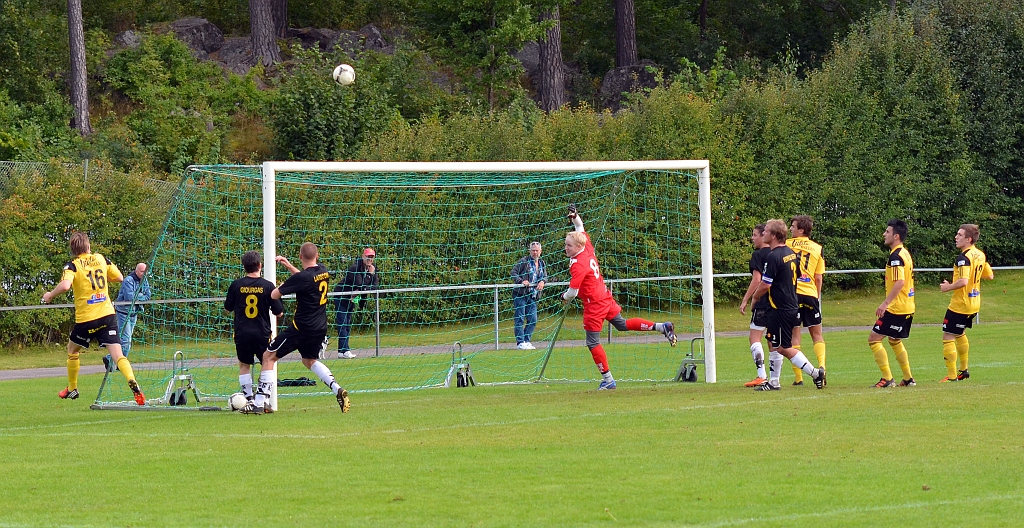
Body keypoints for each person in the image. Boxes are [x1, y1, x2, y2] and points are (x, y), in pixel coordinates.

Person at [560, 204, 677, 390]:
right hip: (605, 297)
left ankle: (608, 381)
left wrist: (563, 297)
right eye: (565, 244)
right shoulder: (587, 248)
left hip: (594, 305)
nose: (565, 248)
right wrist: (575, 217)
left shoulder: (578, 264)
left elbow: (573, 293)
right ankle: (661, 327)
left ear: (578, 246)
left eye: (568, 245)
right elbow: (580, 229)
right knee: (622, 324)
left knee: (592, 342)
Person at [41, 231, 146, 405]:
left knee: (72, 351)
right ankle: (132, 382)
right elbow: (119, 277)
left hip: (87, 319)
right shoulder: (101, 258)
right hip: (107, 315)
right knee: (118, 355)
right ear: (88, 246)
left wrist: (50, 295)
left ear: (73, 250)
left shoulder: (72, 266)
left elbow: (66, 285)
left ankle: (73, 388)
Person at [244, 242, 350, 413]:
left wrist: (283, 284)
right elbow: (305, 279)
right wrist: (289, 266)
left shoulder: (301, 279)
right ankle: (336, 388)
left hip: (301, 328)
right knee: (309, 360)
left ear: (301, 256)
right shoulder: (323, 271)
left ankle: (260, 403)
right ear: (317, 256)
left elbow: (274, 294)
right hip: (320, 327)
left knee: (268, 356)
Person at [750, 219, 827, 391]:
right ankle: (774, 382)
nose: (764, 234)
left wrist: (754, 299)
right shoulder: (791, 253)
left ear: (775, 235)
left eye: (767, 231)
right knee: (778, 345)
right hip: (790, 305)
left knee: (783, 347)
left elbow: (765, 284)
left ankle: (815, 373)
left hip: (780, 308)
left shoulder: (773, 256)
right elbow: (799, 275)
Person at [224, 251, 284, 405]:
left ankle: (248, 399)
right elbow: (279, 313)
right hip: (262, 333)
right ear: (260, 265)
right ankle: (262, 399)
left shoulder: (236, 285)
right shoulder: (268, 286)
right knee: (267, 362)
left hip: (242, 332)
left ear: (244, 267)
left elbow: (227, 308)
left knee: (244, 365)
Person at [939, 224, 994, 383]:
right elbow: (989, 276)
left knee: (948, 336)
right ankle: (963, 370)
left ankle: (952, 377)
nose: (956, 237)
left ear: (968, 239)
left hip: (961, 304)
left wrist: (948, 286)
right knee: (959, 333)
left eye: (959, 235)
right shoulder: (980, 255)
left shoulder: (963, 258)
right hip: (974, 302)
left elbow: (963, 281)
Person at [868, 220, 917, 388]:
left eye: (887, 231)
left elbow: (900, 282)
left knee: (874, 339)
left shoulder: (896, 257)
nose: (884, 234)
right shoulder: (905, 253)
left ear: (896, 236)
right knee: (894, 340)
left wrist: (885, 303)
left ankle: (887, 379)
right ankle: (908, 378)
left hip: (896, 307)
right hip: (908, 305)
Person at [786, 215, 826, 386]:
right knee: (817, 335)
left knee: (795, 336)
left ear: (801, 230)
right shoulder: (817, 248)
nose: (790, 229)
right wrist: (816, 295)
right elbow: (818, 277)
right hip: (810, 293)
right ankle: (822, 366)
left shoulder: (787, 244)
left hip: (792, 294)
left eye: (793, 226)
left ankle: (799, 378)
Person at [103, 262, 151, 372]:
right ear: (137, 271)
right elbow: (130, 297)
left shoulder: (145, 280)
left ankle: (111, 359)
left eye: (145, 272)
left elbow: (148, 295)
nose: (144, 274)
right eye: (142, 271)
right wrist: (140, 296)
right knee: (126, 340)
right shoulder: (128, 280)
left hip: (134, 313)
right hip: (123, 313)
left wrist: (138, 297)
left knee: (123, 339)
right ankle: (118, 362)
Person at [739, 223, 771, 387]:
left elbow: (757, 280)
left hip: (763, 301)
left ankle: (761, 375)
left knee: (754, 337)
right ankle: (775, 378)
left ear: (763, 235)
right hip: (780, 303)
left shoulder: (758, 255)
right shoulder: (778, 252)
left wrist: (747, 299)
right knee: (774, 341)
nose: (752, 238)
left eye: (754, 234)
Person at [333, 248, 379, 359]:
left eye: (372, 257)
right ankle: (345, 350)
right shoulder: (354, 268)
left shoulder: (373, 269)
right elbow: (360, 285)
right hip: (341, 296)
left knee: (347, 323)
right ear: (363, 256)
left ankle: (342, 351)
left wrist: (369, 279)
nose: (369, 259)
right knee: (343, 323)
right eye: (368, 256)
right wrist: (370, 276)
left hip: (352, 299)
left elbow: (375, 286)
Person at [510, 241, 547, 349]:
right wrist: (521, 281)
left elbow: (545, 276)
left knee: (533, 319)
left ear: (540, 251)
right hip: (520, 294)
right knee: (520, 318)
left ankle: (526, 340)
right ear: (529, 251)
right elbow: (513, 272)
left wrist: (543, 282)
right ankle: (520, 342)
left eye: (537, 250)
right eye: (533, 250)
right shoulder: (524, 261)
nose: (535, 252)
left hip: (533, 295)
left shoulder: (542, 263)